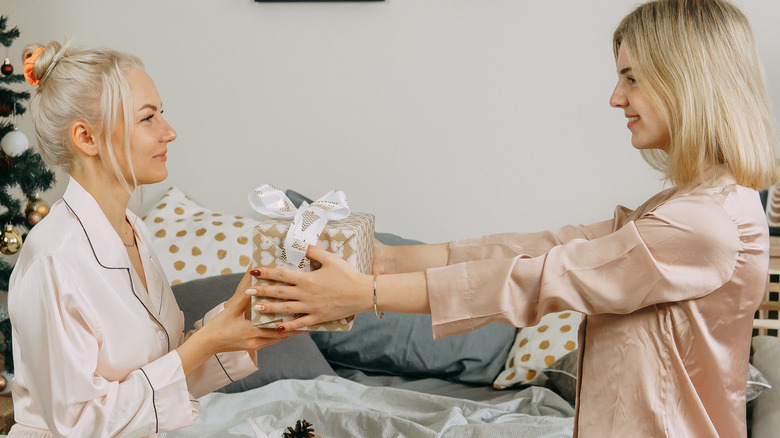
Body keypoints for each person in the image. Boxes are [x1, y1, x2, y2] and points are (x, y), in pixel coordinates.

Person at [249, 0, 778, 436]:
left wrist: (365, 295)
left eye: (632, 78)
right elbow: (544, 247)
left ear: (686, 79)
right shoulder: (691, 206)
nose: (616, 98)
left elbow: (540, 278)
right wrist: (388, 259)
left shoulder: (705, 225)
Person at [7, 41, 297, 437]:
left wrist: (241, 316)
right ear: (86, 138)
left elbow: (163, 381)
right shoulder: (52, 259)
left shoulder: (134, 231)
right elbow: (80, 426)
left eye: (163, 114)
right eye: (148, 118)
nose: (170, 132)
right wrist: (206, 342)